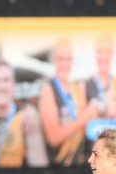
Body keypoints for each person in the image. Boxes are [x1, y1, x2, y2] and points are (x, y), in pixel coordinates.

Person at [39, 38, 99, 166]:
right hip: (58, 167)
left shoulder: (77, 88)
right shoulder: (48, 90)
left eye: (68, 59)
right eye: (61, 59)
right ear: (54, 60)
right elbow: (53, 138)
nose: (65, 64)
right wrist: (85, 118)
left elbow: (86, 128)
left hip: (80, 162)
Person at [0, 61, 49, 167]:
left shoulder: (26, 118)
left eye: (6, 80)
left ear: (13, 86)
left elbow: (39, 165)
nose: (1, 86)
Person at [83, 35, 116, 121]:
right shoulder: (85, 85)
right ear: (95, 53)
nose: (103, 56)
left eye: (107, 52)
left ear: (112, 53)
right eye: (100, 51)